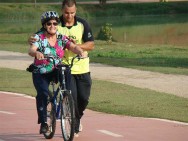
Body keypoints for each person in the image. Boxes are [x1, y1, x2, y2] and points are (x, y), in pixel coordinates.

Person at [29, 0, 95, 137]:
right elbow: (33, 44)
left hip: (70, 67)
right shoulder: (46, 30)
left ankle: (71, 110)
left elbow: (77, 45)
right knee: (49, 94)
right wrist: (35, 51)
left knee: (79, 96)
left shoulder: (70, 31)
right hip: (51, 69)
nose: (52, 25)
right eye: (49, 24)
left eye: (54, 23)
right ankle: (51, 122)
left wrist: (79, 50)